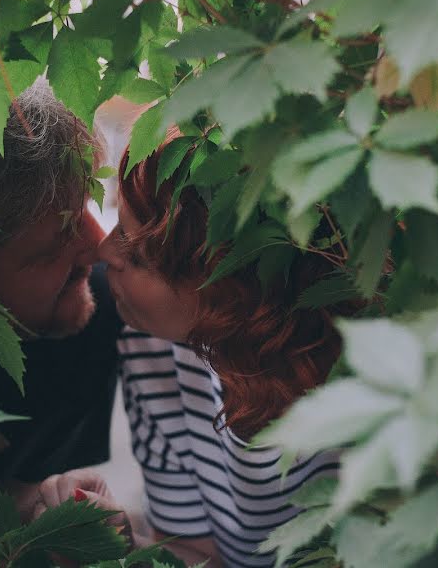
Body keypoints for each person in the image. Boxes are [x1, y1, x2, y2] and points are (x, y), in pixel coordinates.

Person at [34, 128, 356, 567]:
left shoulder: (359, 398)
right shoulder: (153, 350)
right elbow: (199, 555)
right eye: (118, 222)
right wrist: (123, 548)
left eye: (140, 254)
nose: (103, 251)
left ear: (229, 291)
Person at [0, 81, 123, 511]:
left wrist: (37, 503)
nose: (99, 246)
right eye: (61, 234)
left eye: (88, 206)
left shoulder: (89, 318)